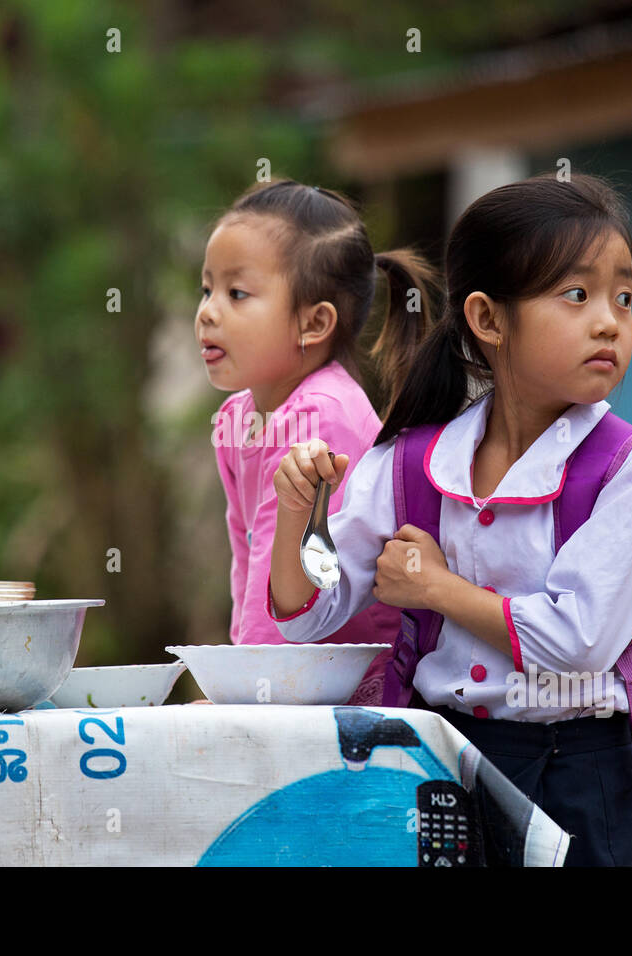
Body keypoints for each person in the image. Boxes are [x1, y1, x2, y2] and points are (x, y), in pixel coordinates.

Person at [267, 173, 632, 865]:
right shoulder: (411, 462)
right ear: (489, 319)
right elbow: (310, 613)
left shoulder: (629, 466)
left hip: (586, 773)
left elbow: (577, 641)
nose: (609, 320)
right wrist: (297, 517)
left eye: (624, 298)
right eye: (577, 295)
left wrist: (436, 589)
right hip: (449, 764)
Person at [199, 179, 436, 699]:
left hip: (359, 682)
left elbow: (292, 569)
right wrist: (240, 673)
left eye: (236, 293)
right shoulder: (237, 417)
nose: (208, 311)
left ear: (314, 322)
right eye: (207, 288)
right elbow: (250, 556)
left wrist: (251, 690)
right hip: (294, 674)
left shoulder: (319, 418)